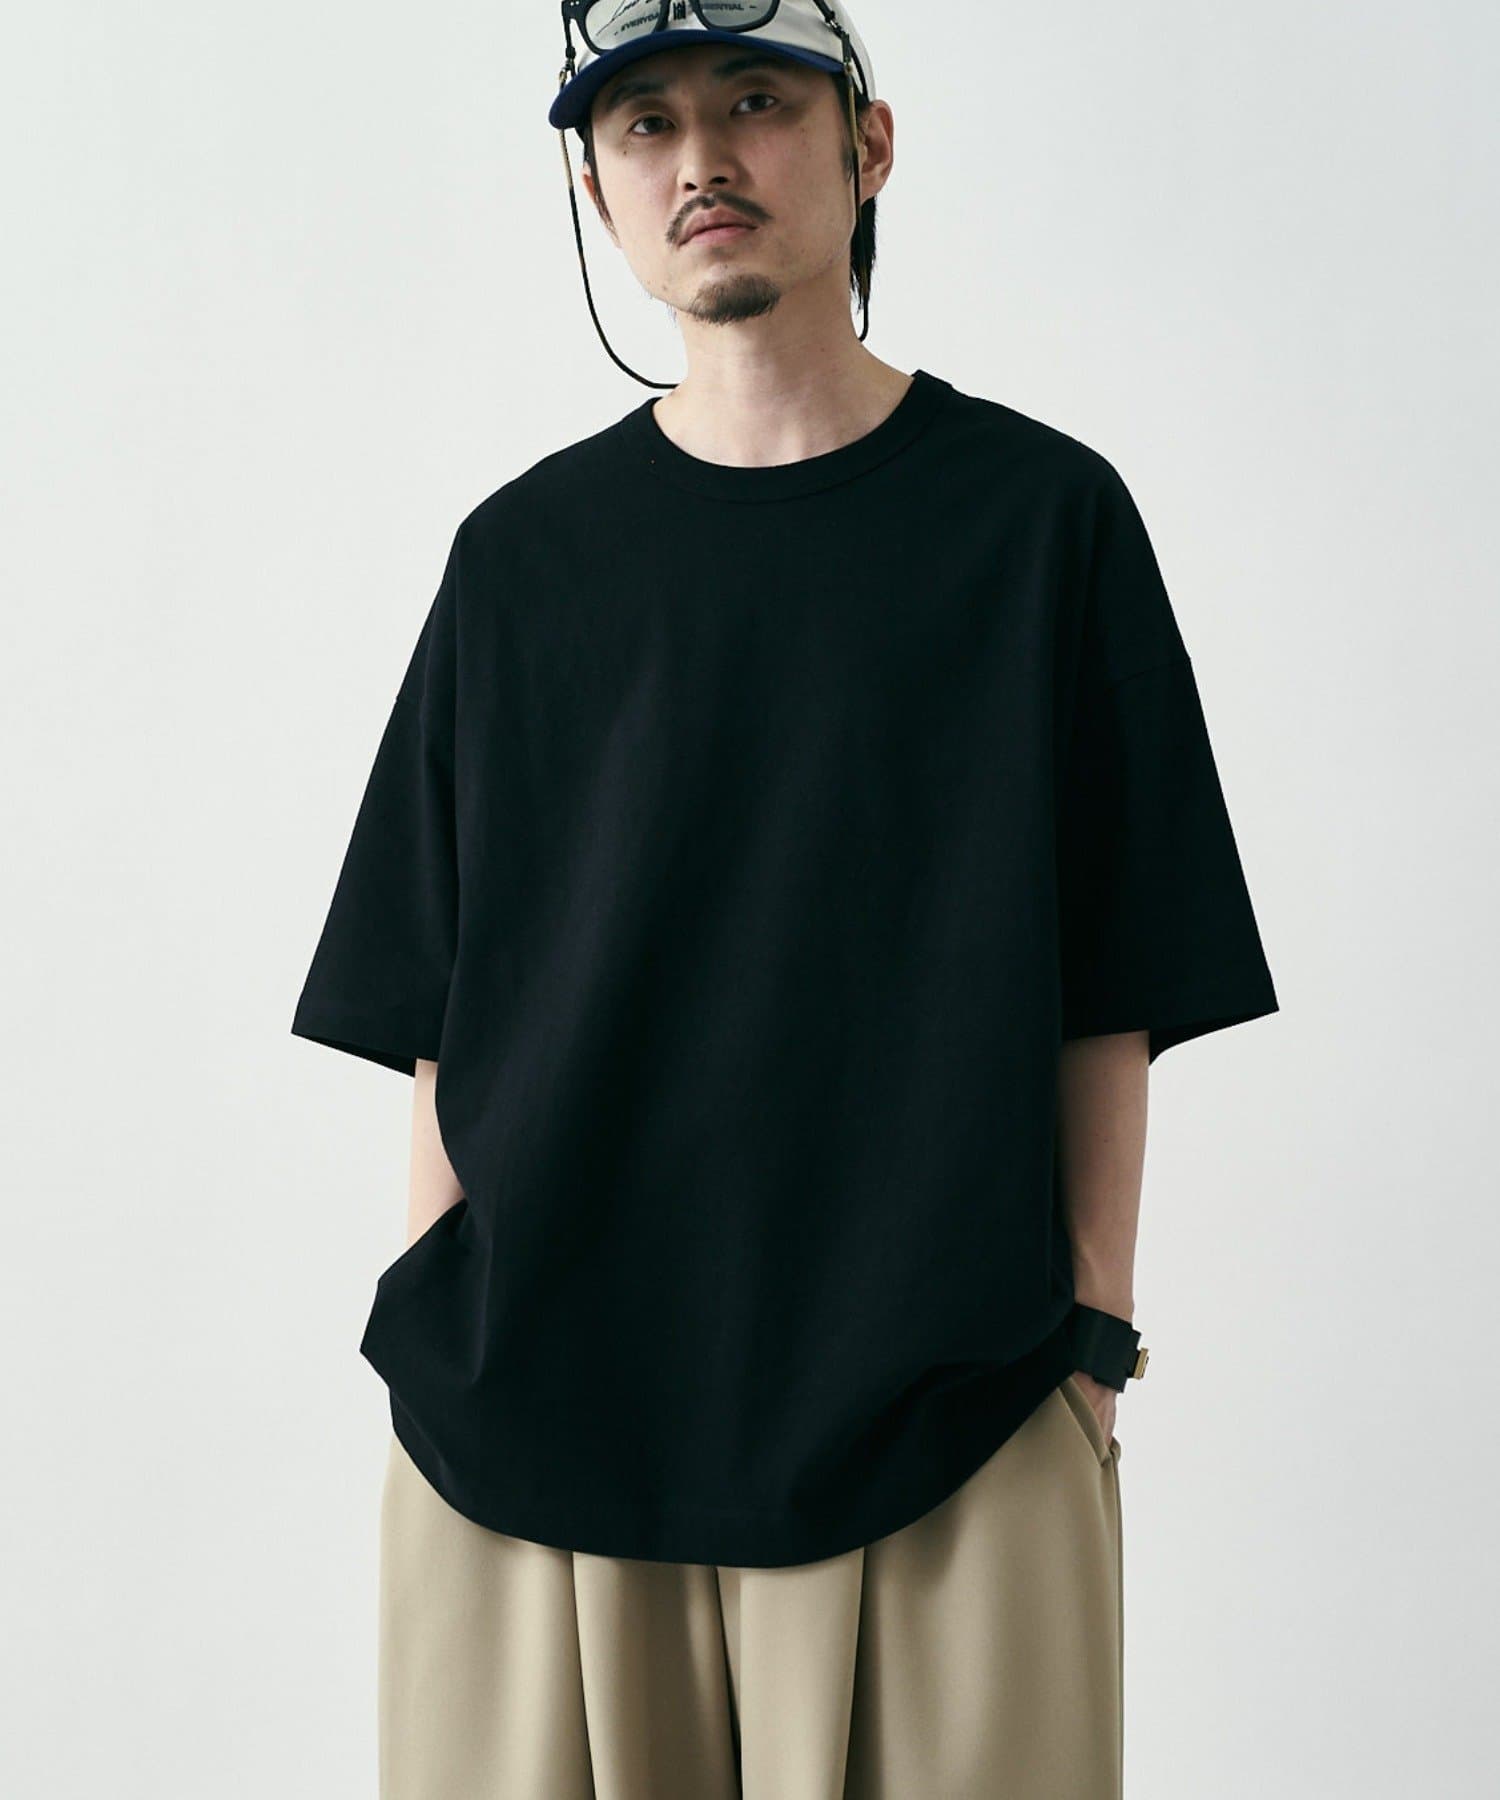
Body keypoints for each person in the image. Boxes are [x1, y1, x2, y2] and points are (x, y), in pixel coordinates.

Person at [289, 3, 1279, 1794]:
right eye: (646, 126)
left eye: (755, 100)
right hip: (538, 1425)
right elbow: (438, 1007)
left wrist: (1088, 1347)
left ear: (867, 146)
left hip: (953, 1414)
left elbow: (1116, 984)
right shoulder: (521, 564)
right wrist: (441, 1324)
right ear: (596, 192)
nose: (702, 160)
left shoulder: (1041, 525)